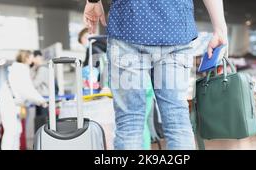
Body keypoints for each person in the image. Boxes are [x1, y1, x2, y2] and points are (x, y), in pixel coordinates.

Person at [84, 0, 228, 150]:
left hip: (128, 26)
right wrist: (220, 28)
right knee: (177, 121)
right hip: (176, 30)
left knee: (129, 123)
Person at [0, 50, 47, 150]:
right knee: (11, 130)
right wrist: (41, 101)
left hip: (12, 102)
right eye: (32, 57)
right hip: (8, 102)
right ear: (27, 58)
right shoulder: (20, 70)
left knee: (16, 130)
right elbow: (28, 90)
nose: (33, 59)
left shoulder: (20, 69)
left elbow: (26, 90)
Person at [30, 50, 50, 133]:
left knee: (42, 123)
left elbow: (35, 84)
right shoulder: (38, 68)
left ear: (37, 57)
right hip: (40, 100)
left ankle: (43, 141)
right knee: (39, 122)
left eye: (33, 58)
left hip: (44, 99)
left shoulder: (42, 69)